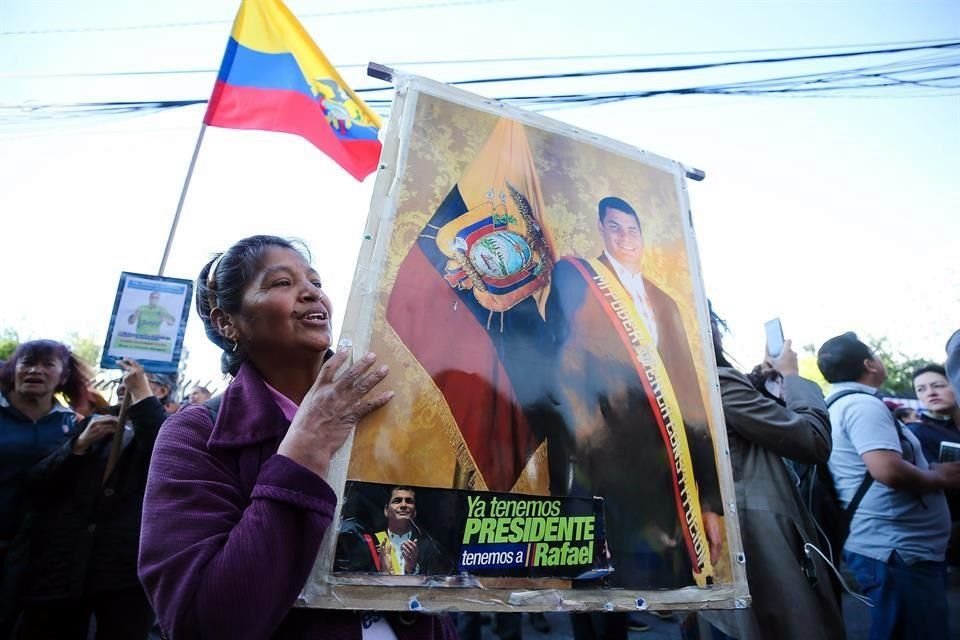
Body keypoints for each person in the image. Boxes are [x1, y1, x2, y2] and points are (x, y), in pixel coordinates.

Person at [138, 235, 456, 639]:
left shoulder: (388, 406)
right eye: (281, 284)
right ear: (226, 322)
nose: (311, 294)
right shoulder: (194, 436)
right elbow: (204, 622)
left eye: (316, 283)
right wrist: (306, 446)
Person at [543, 196, 723, 591]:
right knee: (599, 604)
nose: (625, 237)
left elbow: (690, 402)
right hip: (602, 473)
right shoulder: (576, 278)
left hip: (665, 485)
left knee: (672, 601)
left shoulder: (667, 304)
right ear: (601, 230)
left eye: (632, 228)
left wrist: (708, 502)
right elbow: (565, 369)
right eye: (614, 227)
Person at [701, 311, 844, 640]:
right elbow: (812, 440)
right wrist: (793, 376)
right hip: (757, 541)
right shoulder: (716, 380)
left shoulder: (677, 379)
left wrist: (762, 373)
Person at [818, 332, 960, 639]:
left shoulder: (839, 404)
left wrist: (931, 468)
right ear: (870, 364)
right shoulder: (862, 405)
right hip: (895, 550)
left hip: (893, 549)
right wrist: (939, 478)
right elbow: (887, 470)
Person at [17, 357, 167, 640]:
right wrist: (79, 446)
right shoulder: (90, 423)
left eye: (141, 380)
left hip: (124, 574)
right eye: (122, 380)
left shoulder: (173, 426)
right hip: (64, 567)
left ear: (160, 391)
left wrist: (142, 396)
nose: (126, 384)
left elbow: (166, 457)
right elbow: (38, 481)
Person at [0, 340, 90, 637]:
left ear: (63, 376)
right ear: (13, 368)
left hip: (33, 550)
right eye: (27, 362)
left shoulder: (71, 424)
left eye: (47, 364)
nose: (35, 370)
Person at [910, 364, 960, 566]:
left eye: (938, 385)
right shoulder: (917, 432)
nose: (930, 393)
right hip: (949, 528)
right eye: (921, 389)